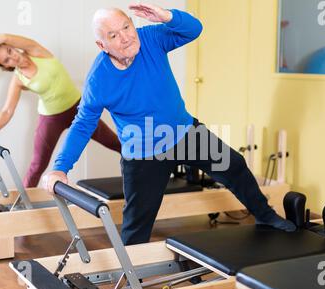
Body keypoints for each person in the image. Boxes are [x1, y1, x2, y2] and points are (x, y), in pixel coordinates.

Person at [44, 3, 296, 246]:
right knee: (137, 223)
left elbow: (194, 29)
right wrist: (60, 167)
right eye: (113, 34)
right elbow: (83, 124)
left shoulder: (151, 38)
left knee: (235, 166)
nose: (125, 38)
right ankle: (132, 279)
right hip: (143, 154)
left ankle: (266, 215)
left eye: (126, 27)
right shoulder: (99, 80)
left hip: (184, 133)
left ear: (133, 25)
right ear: (102, 44)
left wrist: (167, 16)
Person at [0, 34, 121, 187]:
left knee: (116, 143)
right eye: (7, 60)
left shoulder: (36, 51)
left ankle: (144, 168)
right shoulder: (18, 79)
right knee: (37, 165)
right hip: (51, 118)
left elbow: (4, 36)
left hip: (79, 109)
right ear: (5, 66)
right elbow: (7, 110)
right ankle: (22, 206)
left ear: (12, 46)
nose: (12, 57)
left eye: (9, 51)